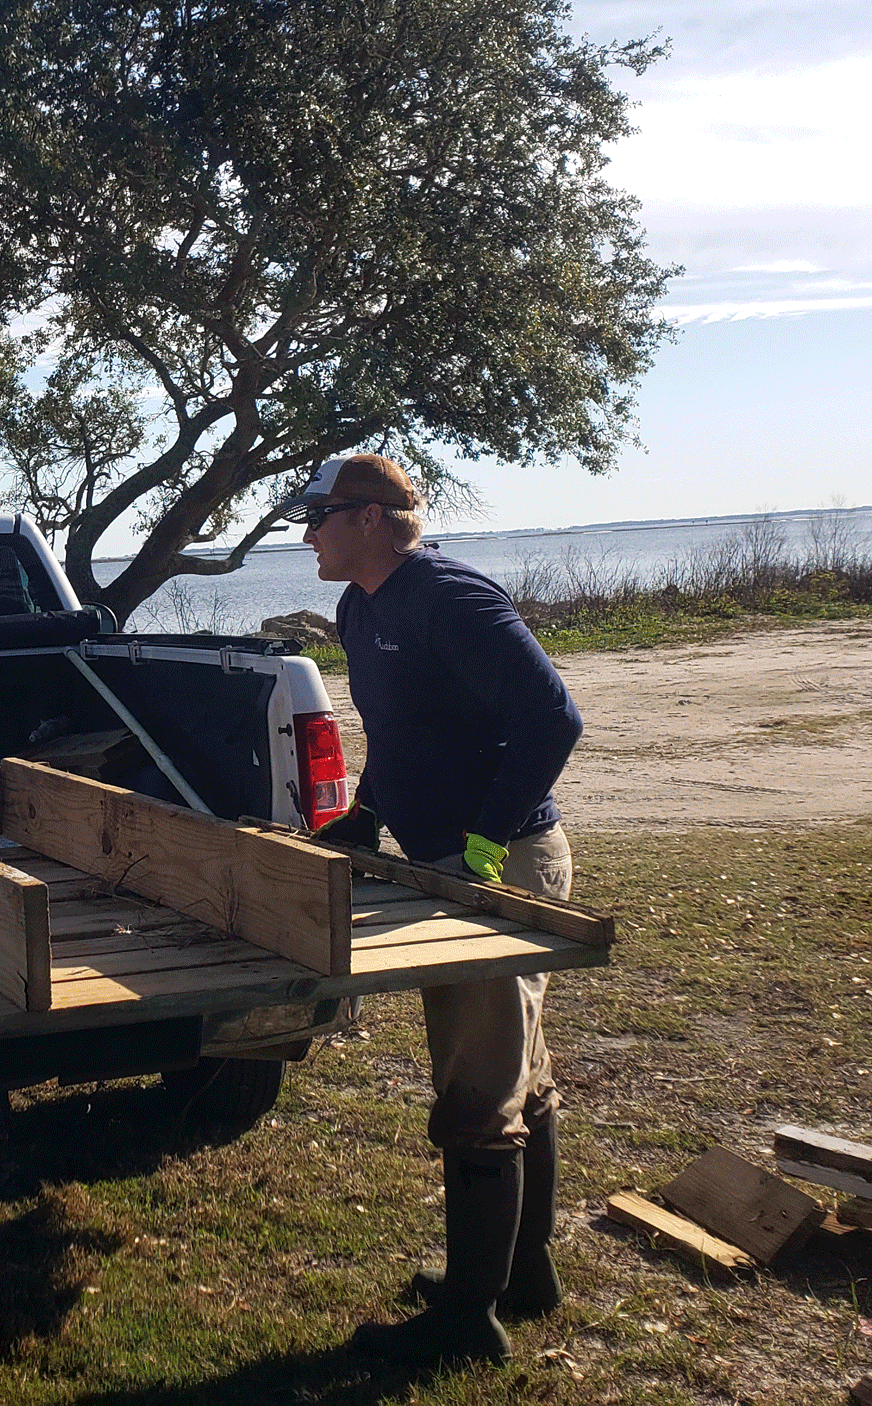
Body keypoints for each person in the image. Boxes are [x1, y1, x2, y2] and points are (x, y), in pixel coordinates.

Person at [284, 452, 584, 1370]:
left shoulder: (451, 599)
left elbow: (553, 718)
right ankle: (523, 1274)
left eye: (319, 516)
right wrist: (367, 813)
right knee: (516, 1066)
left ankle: (467, 1320)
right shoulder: (360, 607)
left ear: (370, 518)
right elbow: (404, 733)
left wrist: (488, 836)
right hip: (441, 862)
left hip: (499, 865)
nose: (307, 534)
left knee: (476, 1083)